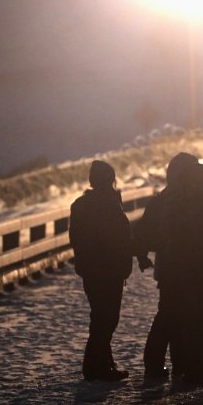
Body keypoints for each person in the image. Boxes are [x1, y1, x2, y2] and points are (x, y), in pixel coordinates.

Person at [134, 152, 202, 380]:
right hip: (179, 269)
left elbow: (143, 233)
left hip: (169, 268)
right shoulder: (184, 202)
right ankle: (163, 364)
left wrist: (143, 255)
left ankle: (164, 364)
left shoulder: (161, 200)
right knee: (171, 317)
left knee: (172, 316)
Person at [69, 160, 134, 382]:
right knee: (106, 318)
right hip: (110, 270)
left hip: (91, 270)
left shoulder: (80, 205)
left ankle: (104, 363)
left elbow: (76, 239)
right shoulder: (109, 204)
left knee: (101, 316)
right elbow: (119, 237)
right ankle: (94, 366)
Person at [164, 157, 203, 386]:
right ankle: (197, 369)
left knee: (196, 323)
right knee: (202, 323)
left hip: (195, 277)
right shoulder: (192, 210)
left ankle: (193, 367)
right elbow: (199, 248)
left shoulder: (188, 207)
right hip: (198, 278)